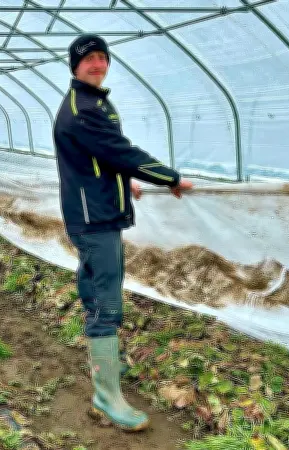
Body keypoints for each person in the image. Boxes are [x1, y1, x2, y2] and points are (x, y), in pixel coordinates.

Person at [53, 34, 193, 432]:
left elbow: (98, 156)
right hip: (94, 217)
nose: (97, 65)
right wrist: (170, 178)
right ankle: (106, 394)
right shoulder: (84, 108)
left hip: (95, 208)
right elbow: (119, 151)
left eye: (102, 58)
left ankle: (106, 372)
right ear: (75, 66)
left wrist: (121, 179)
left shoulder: (91, 100)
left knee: (97, 284)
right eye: (89, 60)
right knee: (104, 296)